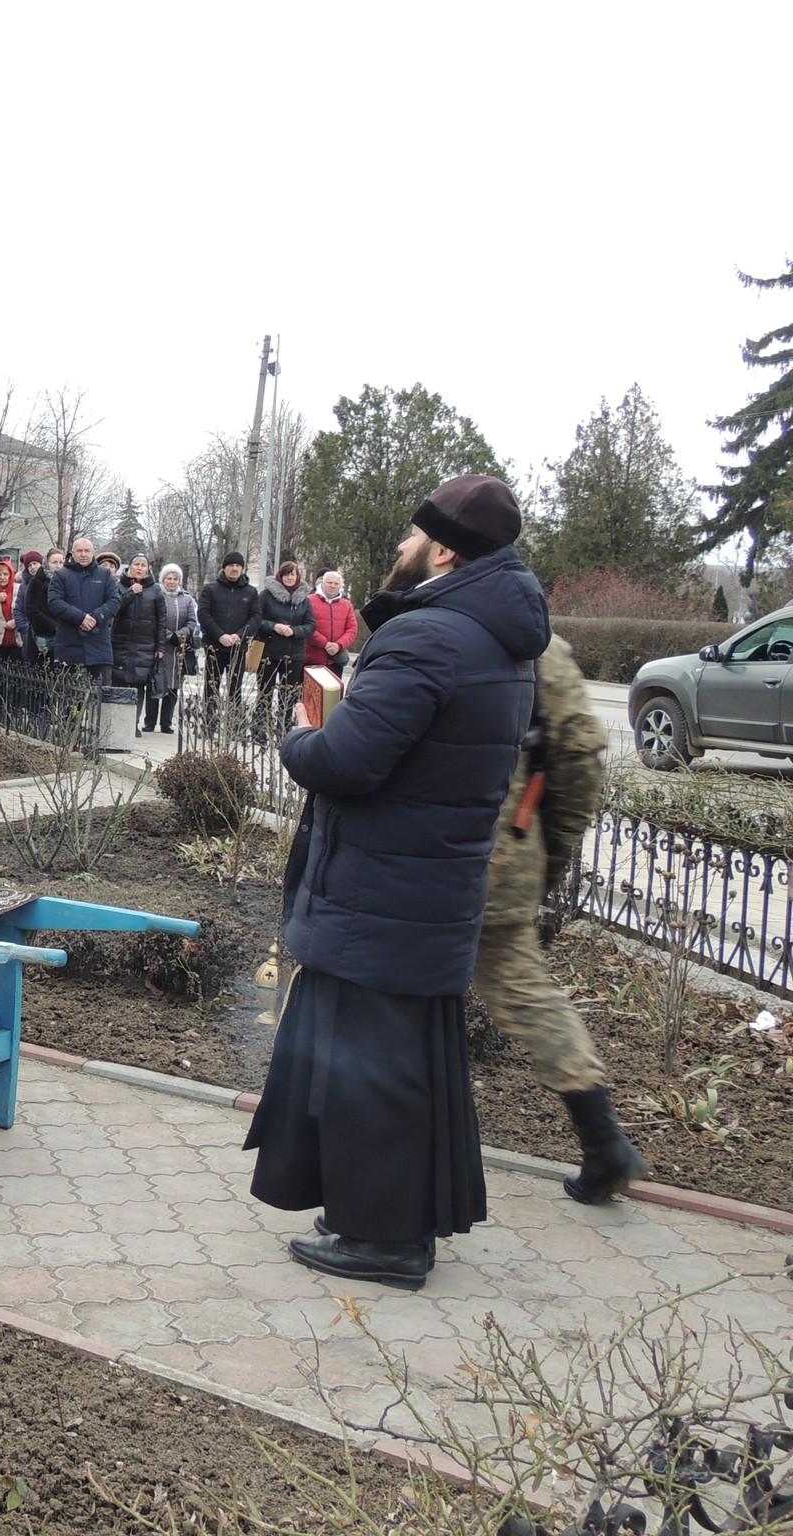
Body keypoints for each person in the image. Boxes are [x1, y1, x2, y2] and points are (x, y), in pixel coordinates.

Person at [245, 474, 549, 1291]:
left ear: (444, 550)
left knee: (372, 1075)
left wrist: (302, 733)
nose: (401, 548)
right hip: (425, 890)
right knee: (403, 1068)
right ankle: (379, 1221)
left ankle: (385, 1242)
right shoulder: (497, 637)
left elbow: (347, 762)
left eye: (413, 537)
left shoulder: (428, 637)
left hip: (382, 892)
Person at [472, 635, 646, 1204]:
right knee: (527, 993)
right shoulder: (542, 647)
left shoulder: (435, 623)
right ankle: (604, 1142)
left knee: (395, 989)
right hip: (509, 853)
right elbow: (579, 758)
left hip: (443, 854)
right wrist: (549, 853)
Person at [47, 533, 120, 682]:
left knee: (101, 693)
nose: (83, 554)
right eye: (79, 551)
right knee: (68, 693)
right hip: (69, 646)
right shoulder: (61, 575)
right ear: (72, 553)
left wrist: (96, 617)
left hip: (99, 647)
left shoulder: (105, 575)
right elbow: (54, 602)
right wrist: (80, 618)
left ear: (93, 553)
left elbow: (114, 601)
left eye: (87, 551)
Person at [111, 553, 166, 723]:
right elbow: (112, 610)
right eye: (136, 564)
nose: (139, 568)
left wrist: (160, 647)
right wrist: (130, 593)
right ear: (129, 567)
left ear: (148, 569)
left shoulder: (156, 590)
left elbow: (162, 621)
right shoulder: (118, 586)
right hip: (120, 644)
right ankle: (117, 723)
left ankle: (133, 723)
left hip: (145, 646)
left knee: (139, 684)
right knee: (119, 682)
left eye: (143, 565)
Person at [197, 551, 259, 702]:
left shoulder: (251, 592)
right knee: (211, 690)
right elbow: (203, 614)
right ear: (224, 568)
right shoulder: (210, 589)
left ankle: (233, 717)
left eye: (238, 565)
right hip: (214, 647)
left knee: (235, 691)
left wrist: (239, 635)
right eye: (231, 565)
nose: (234, 568)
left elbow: (256, 617)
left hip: (238, 648)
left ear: (242, 569)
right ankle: (209, 717)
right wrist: (220, 635)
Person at [255, 560, 312, 718]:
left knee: (288, 696)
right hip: (269, 652)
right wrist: (274, 626)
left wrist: (294, 631)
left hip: (294, 655)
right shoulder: (266, 595)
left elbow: (310, 625)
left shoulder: (305, 600)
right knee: (264, 693)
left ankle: (284, 726)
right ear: (280, 576)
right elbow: (256, 619)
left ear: (298, 576)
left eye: (292, 574)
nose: (289, 577)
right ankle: (260, 726)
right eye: (286, 574)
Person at [154, 563, 198, 734]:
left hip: (179, 648)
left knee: (173, 686)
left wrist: (179, 635)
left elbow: (192, 621)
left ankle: (166, 722)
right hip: (160, 645)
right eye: (168, 578)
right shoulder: (157, 596)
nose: (171, 581)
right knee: (156, 683)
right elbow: (154, 619)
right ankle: (150, 721)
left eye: (175, 579)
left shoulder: (187, 599)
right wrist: (167, 635)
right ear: (163, 580)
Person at [310, 570, 360, 677]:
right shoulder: (309, 601)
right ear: (322, 583)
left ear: (340, 586)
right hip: (311, 660)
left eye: (336, 583)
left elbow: (352, 629)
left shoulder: (347, 605)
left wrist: (339, 645)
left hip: (335, 661)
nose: (332, 586)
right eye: (329, 582)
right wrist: (325, 644)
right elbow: (307, 626)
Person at [24, 549, 61, 666]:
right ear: (47, 563)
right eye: (54, 562)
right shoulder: (36, 582)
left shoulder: (65, 582)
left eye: (61, 562)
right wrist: (54, 626)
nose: (58, 565)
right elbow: (31, 610)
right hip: (42, 636)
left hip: (61, 637)